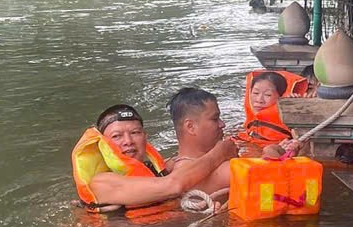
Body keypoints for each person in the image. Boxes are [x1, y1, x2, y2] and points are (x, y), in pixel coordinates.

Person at [73, 103, 235, 209]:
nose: (128, 141)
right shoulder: (101, 183)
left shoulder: (159, 170)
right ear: (104, 145)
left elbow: (186, 165)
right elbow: (174, 185)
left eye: (135, 133)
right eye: (117, 136)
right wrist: (220, 152)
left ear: (145, 137)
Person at [167, 87, 235, 195]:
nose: (222, 124)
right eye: (214, 119)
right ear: (191, 127)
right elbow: (267, 187)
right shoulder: (227, 172)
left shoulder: (168, 167)